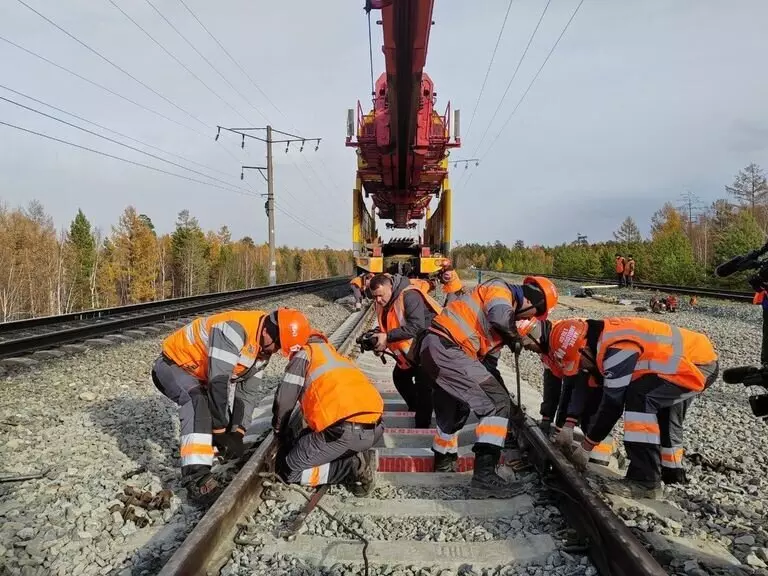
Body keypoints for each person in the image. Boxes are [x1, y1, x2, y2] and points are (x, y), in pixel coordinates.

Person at [546, 317, 719, 499]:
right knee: (658, 407)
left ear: (585, 349)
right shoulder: (601, 338)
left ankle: (645, 482)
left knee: (640, 398)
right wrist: (569, 423)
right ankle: (671, 475)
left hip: (698, 365)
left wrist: (587, 446)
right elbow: (587, 384)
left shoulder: (618, 350)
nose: (582, 367)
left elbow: (612, 405)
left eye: (580, 362)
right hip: (689, 360)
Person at [417, 275, 558, 498]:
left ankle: (443, 462)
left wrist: (510, 407)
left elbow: (489, 369)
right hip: (446, 348)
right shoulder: (501, 289)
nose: (531, 319)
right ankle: (485, 477)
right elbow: (502, 319)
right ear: (532, 303)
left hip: (437, 350)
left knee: (455, 409)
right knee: (495, 404)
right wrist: (514, 338)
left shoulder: (493, 330)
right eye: (534, 315)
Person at [151, 307, 311, 504]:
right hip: (172, 366)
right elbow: (218, 383)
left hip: (200, 375)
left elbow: (248, 393)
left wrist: (237, 431)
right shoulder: (234, 330)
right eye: (277, 345)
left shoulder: (262, 350)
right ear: (268, 331)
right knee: (197, 402)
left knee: (222, 419)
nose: (276, 350)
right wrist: (220, 430)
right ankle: (197, 479)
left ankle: (215, 455)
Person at [271, 330, 383, 496]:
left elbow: (284, 400)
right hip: (376, 429)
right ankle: (358, 454)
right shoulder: (337, 357)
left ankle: (350, 468)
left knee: (289, 470)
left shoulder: (305, 354)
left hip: (345, 433)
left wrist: (279, 430)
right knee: (306, 438)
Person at [519, 319, 615, 467]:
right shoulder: (548, 351)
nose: (527, 349)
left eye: (527, 345)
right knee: (578, 407)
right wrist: (547, 417)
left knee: (595, 411)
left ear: (536, 337)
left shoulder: (566, 342)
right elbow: (553, 386)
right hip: (588, 373)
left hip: (597, 373)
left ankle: (598, 458)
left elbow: (575, 386)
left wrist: (569, 423)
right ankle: (581, 450)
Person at [368, 273, 443, 428]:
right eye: (374, 297)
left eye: (380, 296)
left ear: (390, 287)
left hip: (430, 345)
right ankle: (415, 407)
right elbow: (390, 324)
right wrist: (378, 337)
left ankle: (422, 426)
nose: (378, 300)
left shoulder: (410, 295)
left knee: (424, 386)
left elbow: (417, 326)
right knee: (400, 377)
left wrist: (387, 337)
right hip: (412, 349)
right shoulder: (384, 302)